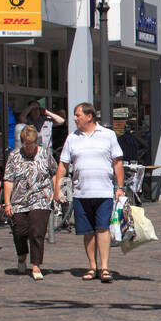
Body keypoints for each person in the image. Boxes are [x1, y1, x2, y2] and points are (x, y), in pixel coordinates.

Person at [53, 103, 125, 283]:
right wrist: (57, 188)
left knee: (103, 228)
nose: (75, 118)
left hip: (104, 192)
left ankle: (105, 267)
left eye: (77, 115)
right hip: (81, 193)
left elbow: (117, 163)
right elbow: (63, 164)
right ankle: (93, 266)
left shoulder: (108, 135)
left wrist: (120, 187)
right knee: (87, 232)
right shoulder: (72, 138)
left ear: (89, 116)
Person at [3, 125, 56, 279]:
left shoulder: (45, 154)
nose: (29, 147)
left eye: (32, 143)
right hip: (19, 200)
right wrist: (7, 202)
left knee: (37, 231)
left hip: (40, 198)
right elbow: (8, 180)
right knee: (20, 231)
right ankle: (21, 256)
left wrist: (56, 192)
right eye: (26, 144)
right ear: (22, 142)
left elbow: (55, 172)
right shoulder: (14, 156)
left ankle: (36, 265)